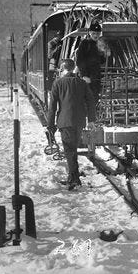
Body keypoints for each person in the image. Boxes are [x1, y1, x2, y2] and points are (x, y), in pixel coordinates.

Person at [46, 59, 96, 191]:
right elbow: (91, 101)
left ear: (63, 69)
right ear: (74, 69)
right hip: (79, 121)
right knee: (72, 149)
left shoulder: (57, 83)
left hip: (65, 122)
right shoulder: (82, 83)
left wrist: (50, 125)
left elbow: (52, 107)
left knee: (69, 150)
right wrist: (91, 120)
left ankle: (74, 179)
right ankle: (73, 177)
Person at [75, 21, 107, 106]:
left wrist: (104, 54)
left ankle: (93, 117)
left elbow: (101, 61)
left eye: (98, 33)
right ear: (89, 33)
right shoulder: (85, 43)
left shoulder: (99, 44)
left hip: (96, 76)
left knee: (95, 98)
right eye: (93, 33)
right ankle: (87, 117)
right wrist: (84, 75)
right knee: (86, 98)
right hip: (87, 76)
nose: (96, 35)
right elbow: (79, 60)